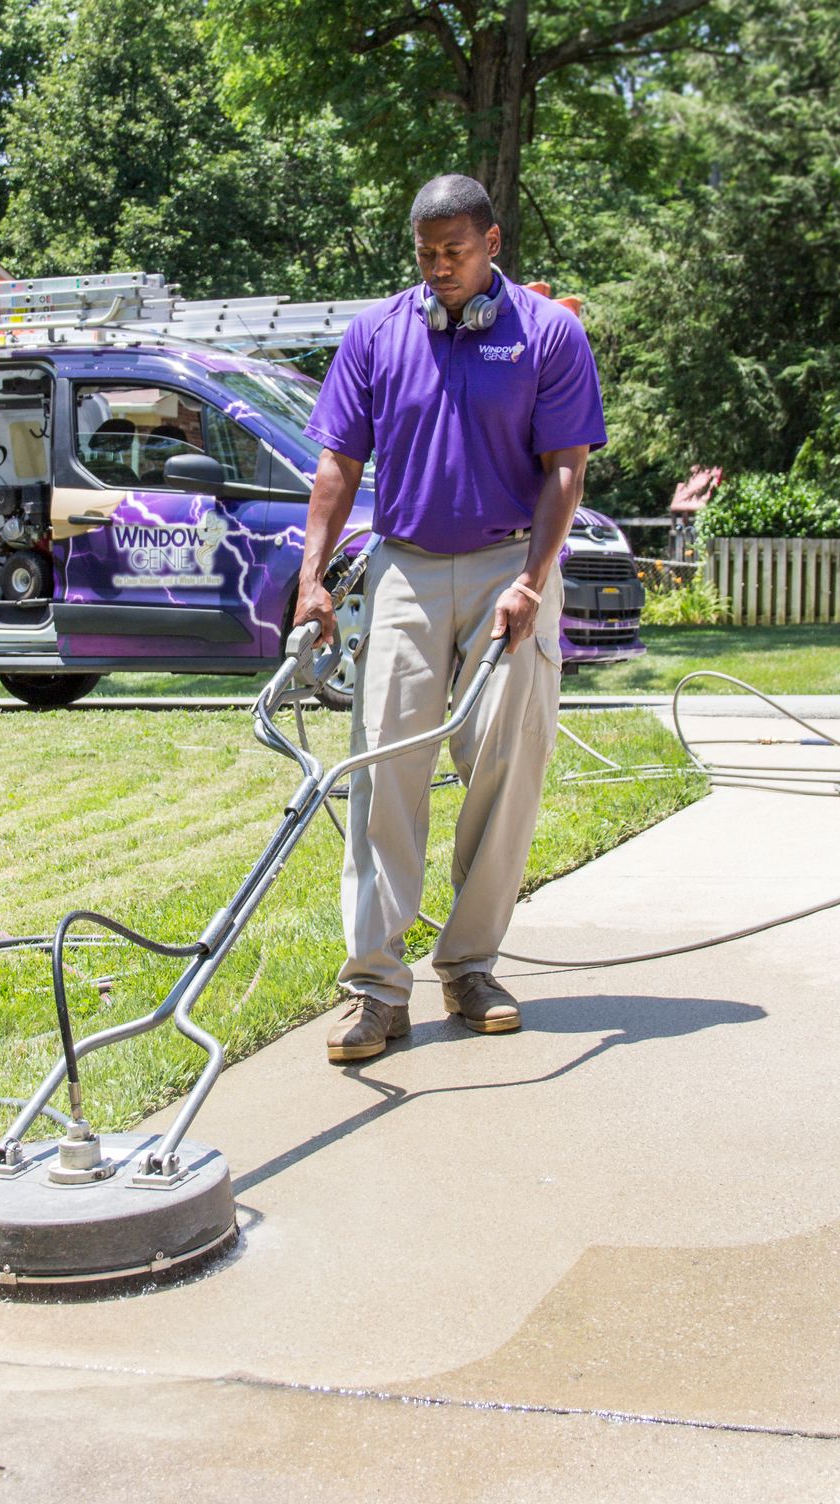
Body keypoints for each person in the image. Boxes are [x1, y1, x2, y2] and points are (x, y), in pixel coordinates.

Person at [293, 173, 607, 1065]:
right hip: (406, 569)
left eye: (454, 252)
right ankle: (374, 992)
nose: (438, 268)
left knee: (508, 765)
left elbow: (564, 470)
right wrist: (314, 580)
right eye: (425, 253)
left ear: (492, 243)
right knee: (384, 764)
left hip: (515, 565)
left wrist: (534, 582)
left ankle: (469, 967)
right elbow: (337, 466)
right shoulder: (376, 333)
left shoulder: (549, 333)